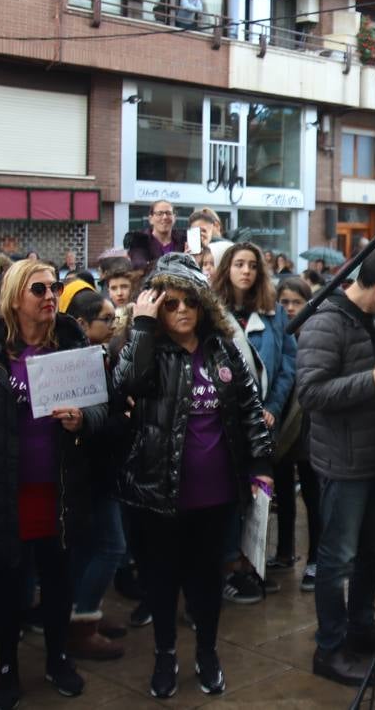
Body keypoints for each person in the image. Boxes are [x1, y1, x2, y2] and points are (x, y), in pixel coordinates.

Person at [0, 259, 105, 708]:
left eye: (54, 287)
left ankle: (57, 659)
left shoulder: (72, 342)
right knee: (10, 585)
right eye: (39, 289)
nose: (50, 296)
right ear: (16, 296)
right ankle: (7, 666)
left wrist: (82, 421)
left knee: (57, 582)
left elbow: (101, 410)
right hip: (5, 490)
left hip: (58, 487)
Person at [114, 254, 273, 698]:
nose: (182, 310)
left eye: (190, 302)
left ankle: (207, 651)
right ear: (156, 308)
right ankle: (165, 653)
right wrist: (143, 327)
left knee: (206, 582)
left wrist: (261, 465)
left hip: (216, 494)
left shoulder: (221, 349)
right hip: (157, 492)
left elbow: (248, 411)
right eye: (170, 303)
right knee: (161, 581)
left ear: (203, 305)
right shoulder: (144, 344)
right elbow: (127, 384)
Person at [295, 248, 375, 686]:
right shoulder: (327, 322)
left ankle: (362, 630)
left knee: (372, 552)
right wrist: (370, 382)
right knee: (337, 559)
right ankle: (329, 649)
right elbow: (310, 392)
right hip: (343, 464)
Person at [211, 242, 296, 601]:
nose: (246, 271)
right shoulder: (211, 312)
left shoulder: (274, 313)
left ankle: (251, 565)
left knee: (259, 496)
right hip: (224, 423)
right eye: (239, 264)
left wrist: (273, 406)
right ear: (227, 269)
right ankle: (228, 568)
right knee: (229, 496)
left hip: (264, 422)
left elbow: (287, 364)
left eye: (252, 265)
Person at [63, 288, 127, 661]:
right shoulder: (77, 362)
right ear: (83, 324)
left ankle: (84, 612)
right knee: (111, 546)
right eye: (107, 318)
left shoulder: (103, 355)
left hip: (102, 467)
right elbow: (93, 419)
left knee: (89, 547)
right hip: (89, 470)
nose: (113, 324)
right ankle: (81, 621)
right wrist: (124, 416)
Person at [272, 276, 322, 592]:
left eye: (297, 302)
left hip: (310, 430)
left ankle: (316, 558)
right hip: (279, 428)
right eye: (285, 302)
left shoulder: (317, 335)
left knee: (314, 498)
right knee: (284, 493)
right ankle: (284, 551)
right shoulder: (275, 335)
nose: (290, 309)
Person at [125, 201, 188, 270]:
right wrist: (180, 261)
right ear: (150, 219)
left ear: (174, 218)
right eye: (159, 214)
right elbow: (139, 265)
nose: (164, 217)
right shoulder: (139, 240)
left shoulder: (184, 240)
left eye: (168, 213)